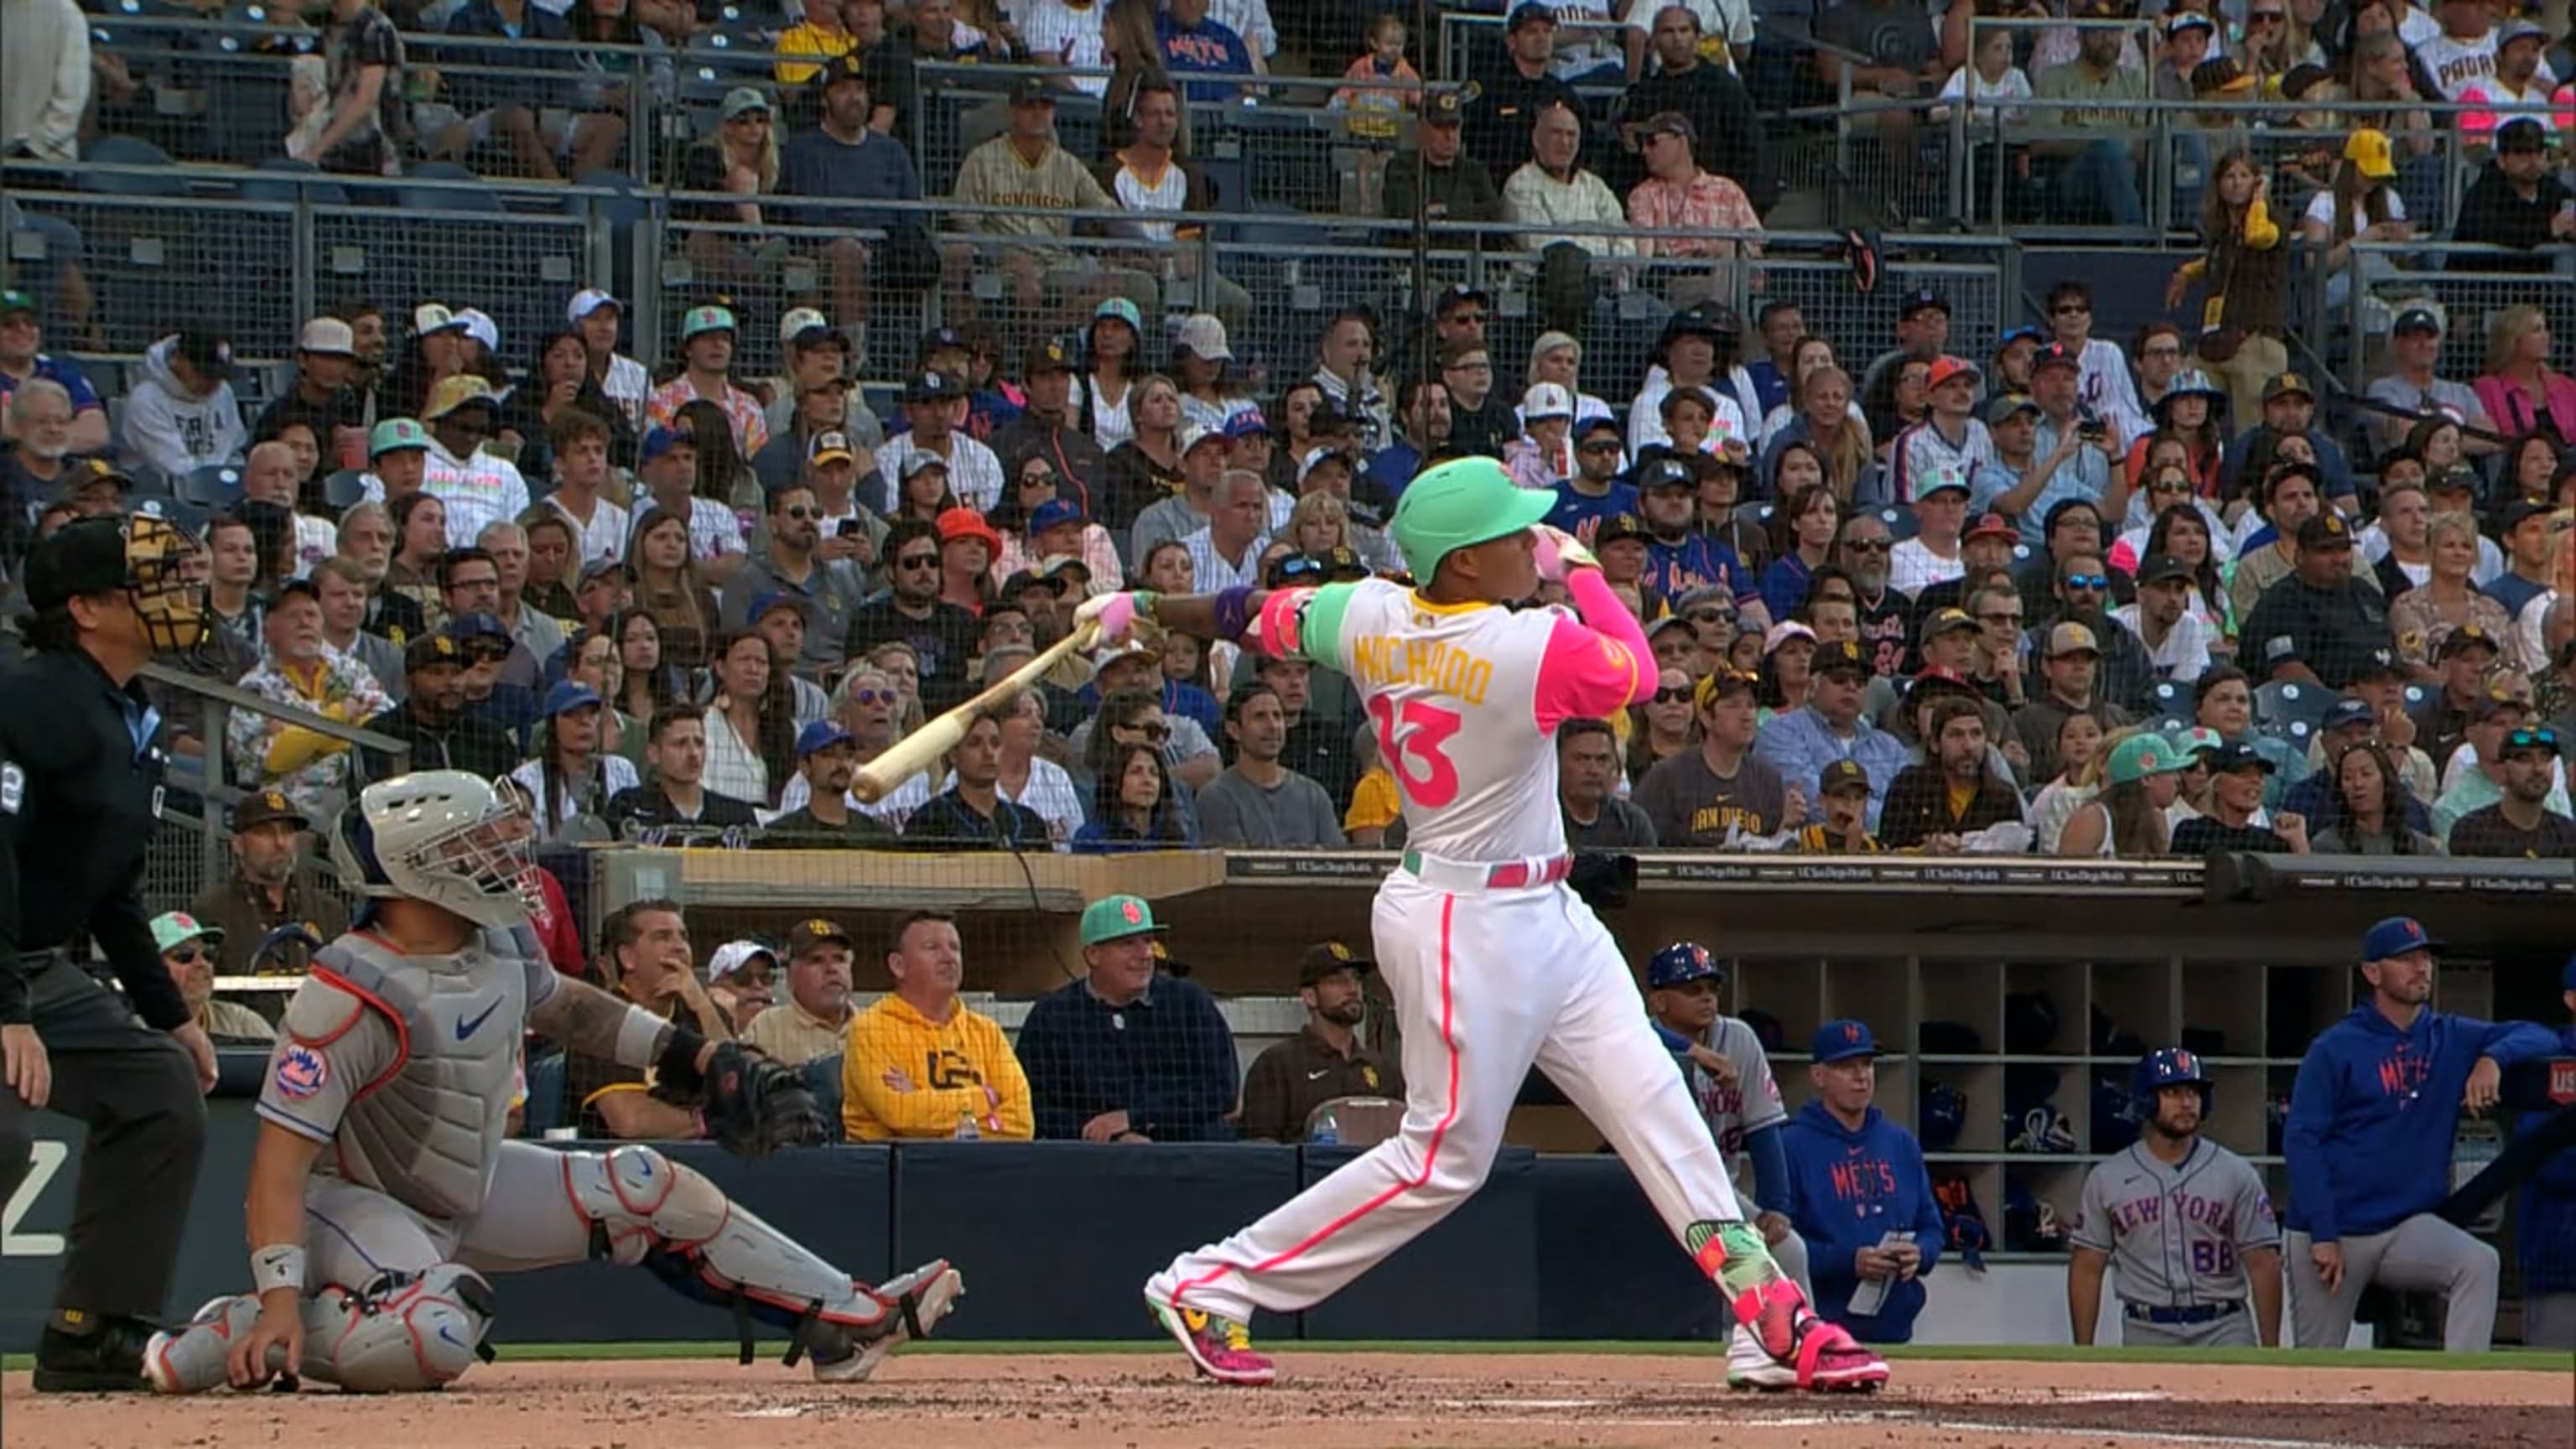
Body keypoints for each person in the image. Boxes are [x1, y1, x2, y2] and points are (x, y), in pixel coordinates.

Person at [1093, 456, 1887, 1390]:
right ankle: (1212, 1282)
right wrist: (1585, 575)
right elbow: (1636, 671)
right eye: (1514, 535)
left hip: (1546, 908)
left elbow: (1247, 614)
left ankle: (1769, 1322)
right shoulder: (1525, 645)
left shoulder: (1370, 613)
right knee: (1444, 1160)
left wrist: (1139, 607)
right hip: (1463, 921)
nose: (1533, 543)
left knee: (1661, 1109)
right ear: (1463, 564)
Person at [141, 772, 963, 1394]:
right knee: (432, 1336)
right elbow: (276, 1168)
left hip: (472, 1181)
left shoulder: (500, 943)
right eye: (470, 847)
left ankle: (845, 1318)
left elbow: (572, 1009)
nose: (497, 859)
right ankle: (237, 1330)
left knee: (652, 1185)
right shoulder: (346, 991)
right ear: (417, 867)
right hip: (360, 1202)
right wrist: (279, 1297)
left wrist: (700, 1059)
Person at [0, 516, 221, 1391]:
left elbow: (115, 890)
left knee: (159, 1090)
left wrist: (171, 1018)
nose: (173, 597)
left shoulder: (132, 715)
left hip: (38, 962)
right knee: (5, 1125)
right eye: (149, 583)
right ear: (86, 608)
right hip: (8, 968)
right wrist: (7, 1011)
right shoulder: (30, 698)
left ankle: (93, 1331)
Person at [2281, 916, 2561, 1353]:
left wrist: (2493, 1059)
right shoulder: (2335, 1047)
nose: (2422, 968)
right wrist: (2322, 1234)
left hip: (2402, 1226)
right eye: (2406, 959)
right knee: (2318, 1367)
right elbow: (2302, 1140)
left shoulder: (2448, 1036)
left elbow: (2541, 1036)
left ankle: (2459, 1395)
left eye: (2426, 958)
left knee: (2478, 1263)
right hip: (2335, 1229)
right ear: (2372, 972)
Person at [2067, 1050, 2282, 1348]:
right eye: (2173, 1093)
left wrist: (2270, 1351)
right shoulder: (2108, 1177)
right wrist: (2083, 1351)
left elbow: (2263, 1263)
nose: (2186, 1103)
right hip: (2147, 1329)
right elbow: (2087, 1265)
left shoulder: (2236, 1173)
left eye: (2193, 1093)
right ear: (2147, 1099)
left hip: (2224, 1327)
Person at [1644, 943, 1810, 1316]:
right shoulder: (1640, 1042)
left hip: (1721, 1195)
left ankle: (1797, 1345)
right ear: (1659, 1001)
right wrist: (1693, 1052)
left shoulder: (1738, 1039)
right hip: (1657, 1191)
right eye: (1691, 990)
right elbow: (1634, 1031)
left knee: (1789, 1250)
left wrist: (1776, 1206)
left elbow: (1764, 1128)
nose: (1707, 999)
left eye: (1712, 989)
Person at [1015, 895, 1239, 1144]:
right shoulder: (1053, 1016)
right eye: (1128, 943)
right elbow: (1031, 1105)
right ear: (1093, 955)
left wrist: (1135, 1117)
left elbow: (1221, 1090)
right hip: (1089, 1163)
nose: (1144, 954)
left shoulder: (1190, 1003)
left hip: (1185, 1157)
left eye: (1147, 941)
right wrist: (1109, 1135)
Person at [1780, 1021, 1944, 1343]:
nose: (1861, 1076)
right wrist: (1848, 1262)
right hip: (1820, 1325)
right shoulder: (1790, 1144)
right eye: (1846, 1066)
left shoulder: (1900, 1143)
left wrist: (1919, 1253)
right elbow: (1778, 1246)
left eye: (1867, 1065)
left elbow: (1932, 1228)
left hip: (1894, 1324)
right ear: (1818, 1076)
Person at [841, 910, 1031, 1141]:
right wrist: (986, 1098)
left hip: (982, 1171)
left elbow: (1021, 1124)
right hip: (895, 1171)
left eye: (954, 947)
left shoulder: (987, 1032)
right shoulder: (870, 1029)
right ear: (898, 965)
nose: (948, 957)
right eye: (932, 948)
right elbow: (899, 1114)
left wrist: (929, 1113)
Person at [1237, 942, 1404, 1144]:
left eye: (1356, 980)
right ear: (1310, 996)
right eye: (1337, 981)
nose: (1352, 989)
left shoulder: (1384, 1070)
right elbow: (1261, 1151)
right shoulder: (1277, 1066)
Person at [186, 790, 353, 977]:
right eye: (265, 833)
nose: (280, 842)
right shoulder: (212, 911)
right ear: (238, 844)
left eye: (287, 831)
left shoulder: (329, 911)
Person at [1633, 667, 1789, 843]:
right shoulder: (1665, 779)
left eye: (1751, 705)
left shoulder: (1768, 781)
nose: (1747, 716)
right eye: (1733, 706)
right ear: (1706, 717)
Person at [738, 917, 859, 1067]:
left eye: (839, 959)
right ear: (791, 976)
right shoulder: (767, 1029)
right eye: (816, 960)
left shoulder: (877, 1026)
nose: (831, 969)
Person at [2446, 724, 2576, 858]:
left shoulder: (2568, 835)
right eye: (2525, 759)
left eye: (2545, 759)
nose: (2538, 769)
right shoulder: (2472, 832)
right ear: (2503, 769)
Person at [1558, 717, 1659, 848]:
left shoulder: (1632, 823)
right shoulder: (1541, 821)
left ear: (1614, 766)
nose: (1593, 770)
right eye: (1581, 759)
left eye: (1602, 760)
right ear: (1558, 764)